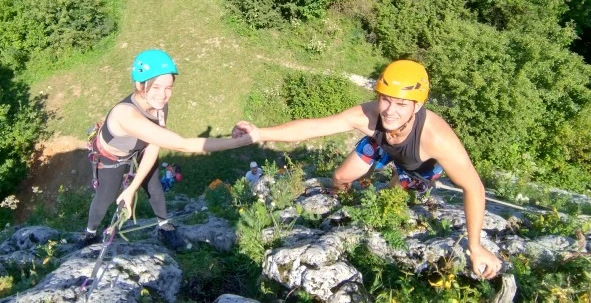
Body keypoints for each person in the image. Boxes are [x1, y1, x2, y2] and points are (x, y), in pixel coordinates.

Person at [233, 60, 503, 279]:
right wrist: (260, 132)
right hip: (383, 143)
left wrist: (475, 246)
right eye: (385, 99)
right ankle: (341, 204)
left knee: (391, 194)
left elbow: (473, 187)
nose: (389, 110)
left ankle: (385, 190)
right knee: (340, 177)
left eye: (401, 104)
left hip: (417, 167)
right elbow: (313, 126)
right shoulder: (371, 114)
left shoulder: (435, 137)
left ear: (417, 106)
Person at [82, 49, 254, 250]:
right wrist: (237, 142)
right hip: (114, 157)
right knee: (106, 197)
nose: (163, 95)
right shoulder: (126, 115)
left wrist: (132, 188)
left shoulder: (159, 106)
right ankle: (89, 234)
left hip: (141, 147)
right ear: (139, 85)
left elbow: (154, 144)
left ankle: (164, 227)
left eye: (168, 87)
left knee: (155, 187)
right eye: (155, 87)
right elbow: (182, 144)